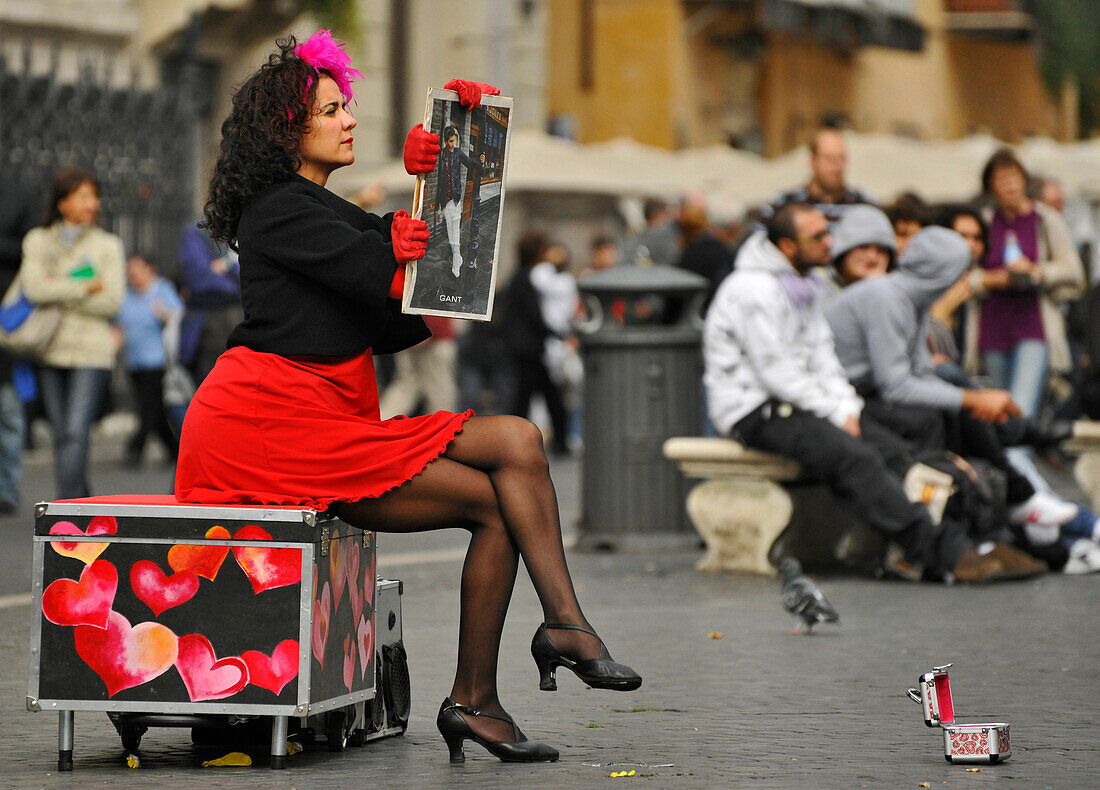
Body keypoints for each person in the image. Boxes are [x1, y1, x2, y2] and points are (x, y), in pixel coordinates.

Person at [174, 31, 639, 765]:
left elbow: (400, 313)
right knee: (510, 454)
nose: (350, 119)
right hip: (265, 431)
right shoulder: (278, 210)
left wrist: (457, 155)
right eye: (333, 109)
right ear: (287, 129)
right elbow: (381, 262)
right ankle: (546, 644)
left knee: (514, 455)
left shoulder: (317, 208)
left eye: (347, 106)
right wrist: (440, 177)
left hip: (323, 419)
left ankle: (499, 681)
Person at [703, 202, 1042, 584]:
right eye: (817, 237)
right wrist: (836, 412)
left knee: (893, 449)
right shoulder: (752, 290)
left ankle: (945, 543)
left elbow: (822, 356)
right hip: (757, 410)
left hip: (803, 402)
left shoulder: (804, 283)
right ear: (787, 246)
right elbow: (776, 371)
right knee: (856, 458)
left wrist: (846, 408)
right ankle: (945, 552)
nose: (829, 242)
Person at [823, 227, 1078, 550]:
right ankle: (1019, 481)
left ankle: (1017, 492)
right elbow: (896, 386)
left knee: (952, 393)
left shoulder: (909, 300)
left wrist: (975, 400)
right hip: (841, 401)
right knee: (951, 403)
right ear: (941, 273)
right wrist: (974, 398)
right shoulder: (885, 298)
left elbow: (920, 371)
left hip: (866, 395)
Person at [20, 166, 124, 498]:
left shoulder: (108, 245)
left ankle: (67, 508)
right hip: (49, 349)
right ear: (62, 201)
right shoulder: (38, 240)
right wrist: (84, 286)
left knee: (77, 433)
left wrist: (58, 286)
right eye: (83, 196)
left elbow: (111, 301)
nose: (92, 203)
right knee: (62, 434)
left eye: (94, 196)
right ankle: (78, 499)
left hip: (91, 352)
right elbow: (34, 289)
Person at [966, 148, 1085, 421]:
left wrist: (1037, 271)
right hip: (992, 329)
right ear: (990, 187)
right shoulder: (984, 222)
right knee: (997, 412)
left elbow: (1073, 271)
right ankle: (1014, 459)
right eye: (1001, 179)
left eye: (1013, 177)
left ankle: (1019, 458)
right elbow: (964, 276)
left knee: (1021, 410)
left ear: (1024, 181)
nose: (1008, 185)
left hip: (1033, 326)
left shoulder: (1045, 220)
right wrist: (995, 278)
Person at [501, 232, 570, 455]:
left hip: (525, 349)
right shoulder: (524, 279)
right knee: (539, 397)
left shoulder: (519, 277)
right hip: (529, 349)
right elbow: (534, 316)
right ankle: (515, 442)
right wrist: (557, 333)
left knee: (530, 398)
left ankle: (514, 442)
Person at [117, 252, 182, 466]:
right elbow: (119, 325)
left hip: (157, 361)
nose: (132, 273)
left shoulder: (162, 290)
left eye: (136, 268)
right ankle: (175, 450)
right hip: (134, 361)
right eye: (130, 269)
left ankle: (134, 450)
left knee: (148, 409)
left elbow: (178, 318)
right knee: (155, 411)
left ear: (149, 269)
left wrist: (165, 315)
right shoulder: (128, 296)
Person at [0, 174, 41, 512]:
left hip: (7, 320)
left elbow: (30, 251)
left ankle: (6, 488)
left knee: (8, 409)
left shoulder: (18, 192)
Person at [763, 126, 875, 225]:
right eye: (829, 159)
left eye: (841, 159)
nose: (837, 166)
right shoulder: (785, 204)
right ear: (813, 161)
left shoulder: (864, 204)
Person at [177, 221, 243, 385]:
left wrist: (226, 266)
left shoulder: (249, 228)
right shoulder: (196, 234)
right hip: (207, 337)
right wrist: (239, 289)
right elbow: (201, 282)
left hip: (241, 339)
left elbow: (256, 277)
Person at [378, 315, 459, 418]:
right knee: (436, 391)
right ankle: (444, 429)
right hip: (425, 337)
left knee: (410, 387)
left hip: (430, 339)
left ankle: (379, 423)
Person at [435, 124, 485, 278]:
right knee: (450, 232)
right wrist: (437, 208)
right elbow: (439, 182)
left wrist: (480, 160)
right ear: (445, 142)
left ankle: (456, 261)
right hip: (445, 201)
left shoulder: (457, 153)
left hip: (455, 199)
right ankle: (457, 257)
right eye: (450, 141)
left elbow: (470, 162)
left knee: (454, 230)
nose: (452, 144)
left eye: (454, 141)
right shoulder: (441, 155)